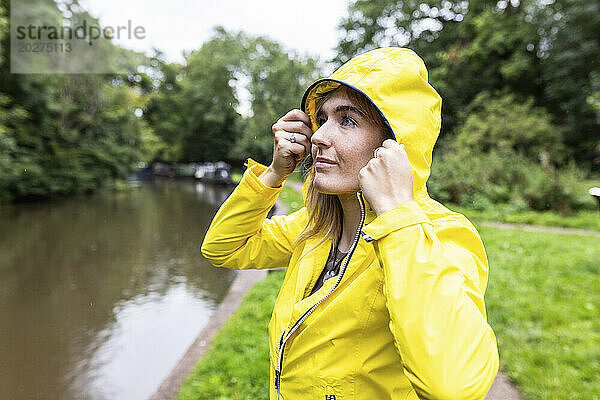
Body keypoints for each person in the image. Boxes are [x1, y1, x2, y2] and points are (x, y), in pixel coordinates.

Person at [201, 47, 499, 400]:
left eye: (347, 120)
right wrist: (274, 173)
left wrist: (396, 216)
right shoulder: (317, 227)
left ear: (395, 143)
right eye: (323, 119)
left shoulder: (442, 236)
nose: (318, 137)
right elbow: (223, 248)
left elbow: (453, 386)